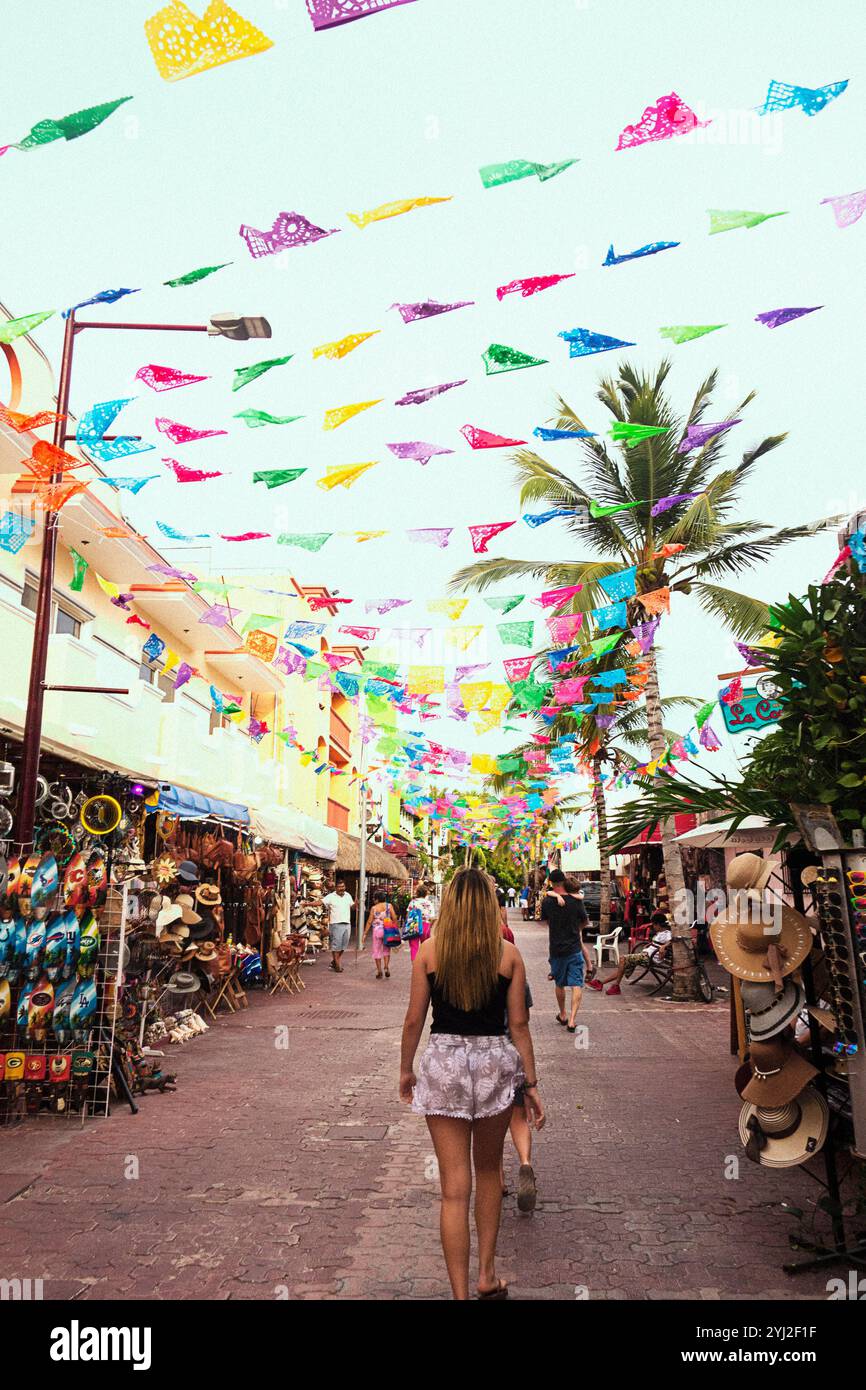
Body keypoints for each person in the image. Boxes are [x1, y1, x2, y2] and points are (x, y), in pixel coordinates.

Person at [399, 868, 544, 1300]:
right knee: (487, 1170)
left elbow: (413, 1020)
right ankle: (486, 1274)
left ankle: (461, 1294)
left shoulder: (428, 953)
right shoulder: (507, 956)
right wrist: (532, 1085)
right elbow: (518, 1024)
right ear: (489, 907)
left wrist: (406, 1069)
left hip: (444, 1062)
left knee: (453, 1188)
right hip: (494, 1063)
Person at [541, 869, 592, 1032]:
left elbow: (547, 922)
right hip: (574, 948)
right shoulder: (576, 901)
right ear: (564, 881)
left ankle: (562, 1014)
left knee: (559, 983)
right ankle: (571, 1020)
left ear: (551, 883)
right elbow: (585, 921)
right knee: (576, 983)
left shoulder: (548, 902)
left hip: (556, 949)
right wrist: (577, 930)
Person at [588, 909, 672, 996]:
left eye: (654, 925)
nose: (653, 927)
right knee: (623, 964)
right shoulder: (660, 933)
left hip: (650, 958)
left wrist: (664, 946)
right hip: (646, 955)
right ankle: (601, 983)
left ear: (658, 925)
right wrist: (650, 946)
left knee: (623, 959)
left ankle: (615, 986)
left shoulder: (667, 934)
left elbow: (673, 940)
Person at [323, 878, 355, 973]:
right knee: (336, 946)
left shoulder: (348, 895)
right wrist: (308, 903)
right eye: (339, 887)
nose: (341, 888)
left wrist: (356, 904)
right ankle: (337, 966)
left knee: (343, 946)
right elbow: (321, 902)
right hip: (336, 924)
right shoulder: (330, 896)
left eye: (343, 886)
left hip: (347, 923)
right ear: (336, 888)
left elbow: (352, 907)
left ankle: (334, 961)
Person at [363, 895, 398, 979]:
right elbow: (394, 917)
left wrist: (365, 934)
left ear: (377, 899)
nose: (373, 900)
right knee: (386, 950)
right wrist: (395, 928)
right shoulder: (389, 906)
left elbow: (369, 922)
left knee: (377, 951)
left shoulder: (374, 908)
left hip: (377, 931)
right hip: (388, 930)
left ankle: (379, 971)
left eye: (374, 899)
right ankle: (386, 967)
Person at [405, 882, 436, 963]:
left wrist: (407, 925)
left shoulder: (413, 902)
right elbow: (432, 918)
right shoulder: (429, 903)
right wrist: (430, 927)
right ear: (426, 893)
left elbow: (408, 915)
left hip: (414, 924)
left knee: (414, 946)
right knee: (425, 946)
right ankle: (425, 964)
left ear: (417, 892)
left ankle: (415, 965)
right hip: (426, 925)